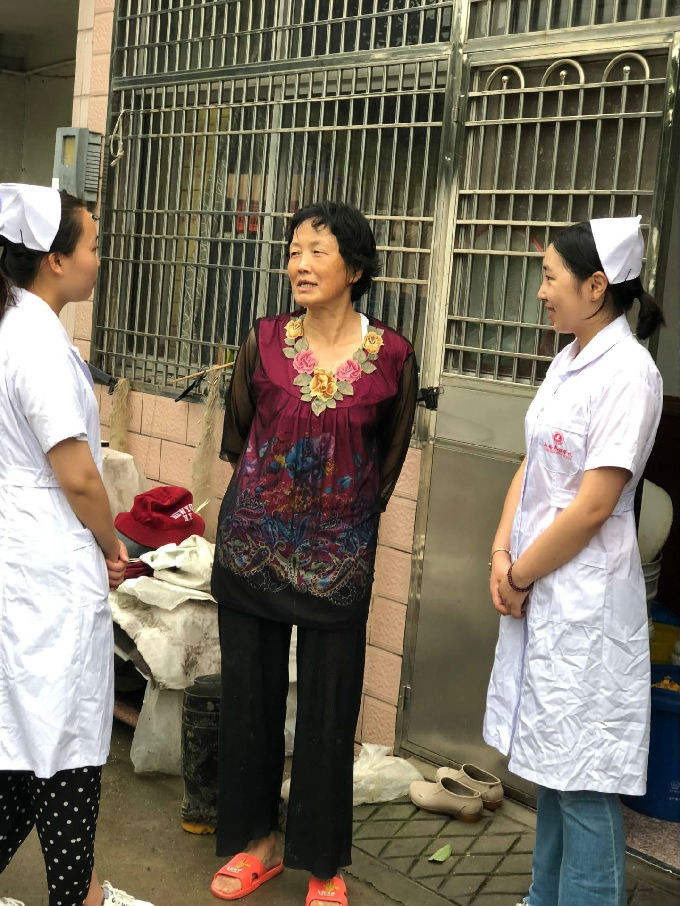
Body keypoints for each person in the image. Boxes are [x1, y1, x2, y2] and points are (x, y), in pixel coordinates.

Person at [209, 201, 418, 906]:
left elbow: (386, 462)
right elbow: (239, 436)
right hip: (252, 550)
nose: (300, 264)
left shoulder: (393, 356)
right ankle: (257, 843)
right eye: (294, 250)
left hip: (339, 561)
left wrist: (338, 519)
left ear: (355, 268)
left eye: (317, 251)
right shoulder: (263, 340)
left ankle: (323, 860)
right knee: (251, 703)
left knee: (330, 709)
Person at [483, 216, 664, 906]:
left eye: (550, 276)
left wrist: (519, 573)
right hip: (541, 587)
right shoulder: (568, 360)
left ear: (595, 287)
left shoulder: (631, 375)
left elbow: (592, 507)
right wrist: (501, 553)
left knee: (584, 781)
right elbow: (531, 463)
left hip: (584, 602)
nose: (540, 291)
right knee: (553, 772)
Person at [0, 184, 153, 906]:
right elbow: (80, 476)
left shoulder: (16, 328)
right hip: (46, 558)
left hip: (23, 552)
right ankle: (79, 898)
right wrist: (112, 545)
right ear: (54, 260)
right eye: (92, 244)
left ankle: (82, 892)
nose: (99, 257)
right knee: (61, 739)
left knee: (27, 737)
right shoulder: (36, 345)